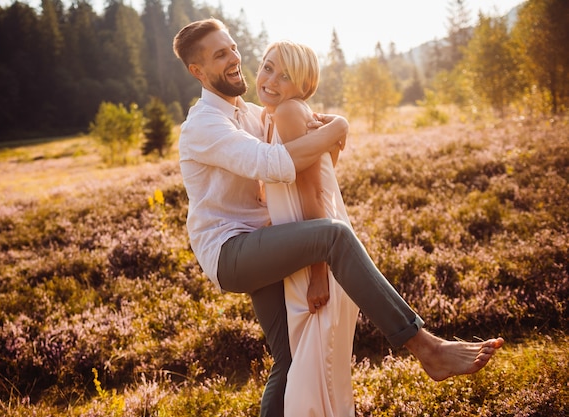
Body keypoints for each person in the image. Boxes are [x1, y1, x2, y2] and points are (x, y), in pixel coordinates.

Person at [172, 18, 504, 417]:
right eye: (219, 54)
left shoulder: (254, 113)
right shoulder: (203, 126)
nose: (234, 59)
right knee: (334, 237)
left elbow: (312, 164)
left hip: (270, 239)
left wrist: (328, 136)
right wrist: (342, 124)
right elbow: (274, 163)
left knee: (290, 358)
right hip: (232, 251)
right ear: (197, 71)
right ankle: (426, 347)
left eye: (233, 48)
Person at [256, 39, 360, 416]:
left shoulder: (287, 112)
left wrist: (319, 274)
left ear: (304, 85)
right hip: (304, 258)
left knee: (314, 385)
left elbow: (315, 195)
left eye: (285, 76)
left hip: (318, 264)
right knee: (316, 381)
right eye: (267, 67)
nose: (270, 80)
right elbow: (322, 175)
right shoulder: (278, 116)